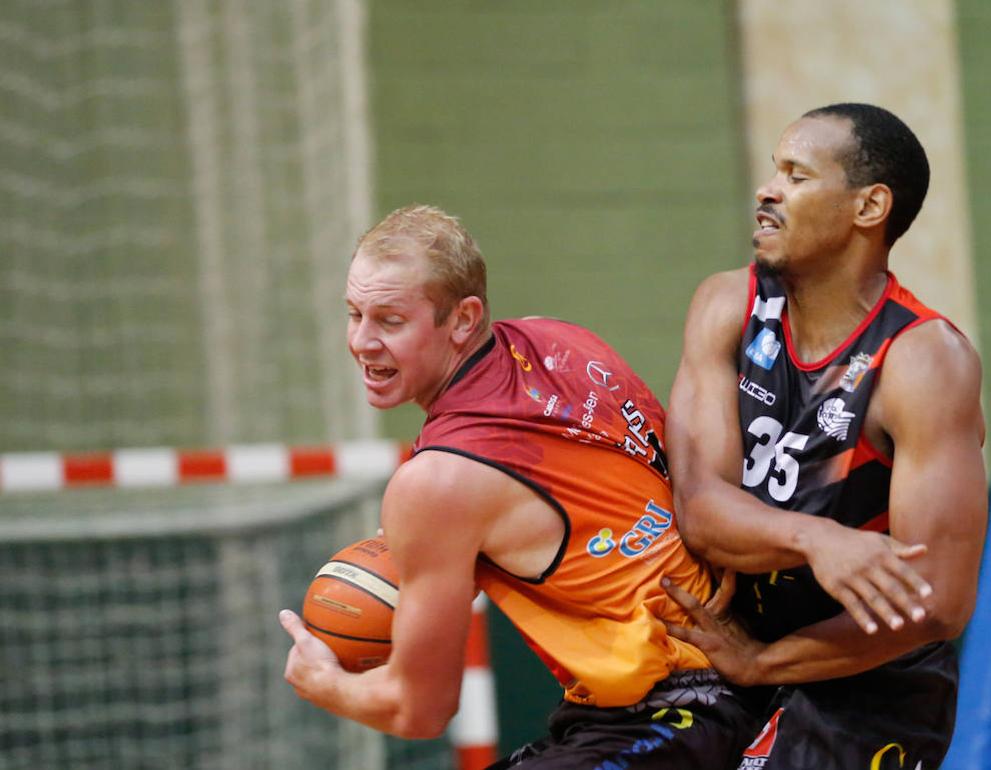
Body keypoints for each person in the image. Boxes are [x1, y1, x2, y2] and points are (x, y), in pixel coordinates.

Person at [278, 204, 756, 768]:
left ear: (462, 319)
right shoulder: (561, 340)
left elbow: (419, 709)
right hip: (729, 665)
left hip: (679, 709)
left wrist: (322, 682)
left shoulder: (437, 481)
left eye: (389, 320)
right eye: (354, 314)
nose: (362, 341)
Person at [663, 103, 988, 769]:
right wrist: (819, 540)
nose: (767, 190)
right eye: (772, 171)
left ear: (869, 207)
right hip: (728, 643)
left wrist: (766, 663)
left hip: (868, 680)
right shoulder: (727, 305)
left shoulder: (924, 360)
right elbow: (700, 508)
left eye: (797, 175)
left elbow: (937, 604)